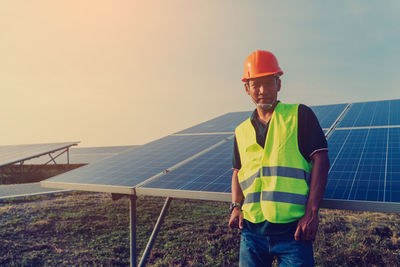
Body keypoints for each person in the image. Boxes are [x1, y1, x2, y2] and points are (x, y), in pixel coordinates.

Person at [228, 50, 330, 267]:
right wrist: (236, 206)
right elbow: (237, 172)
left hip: (293, 233)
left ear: (279, 84)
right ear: (247, 88)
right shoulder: (241, 131)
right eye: (256, 84)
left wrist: (312, 212)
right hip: (252, 233)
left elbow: (321, 160)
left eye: (268, 82)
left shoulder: (299, 115)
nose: (262, 90)